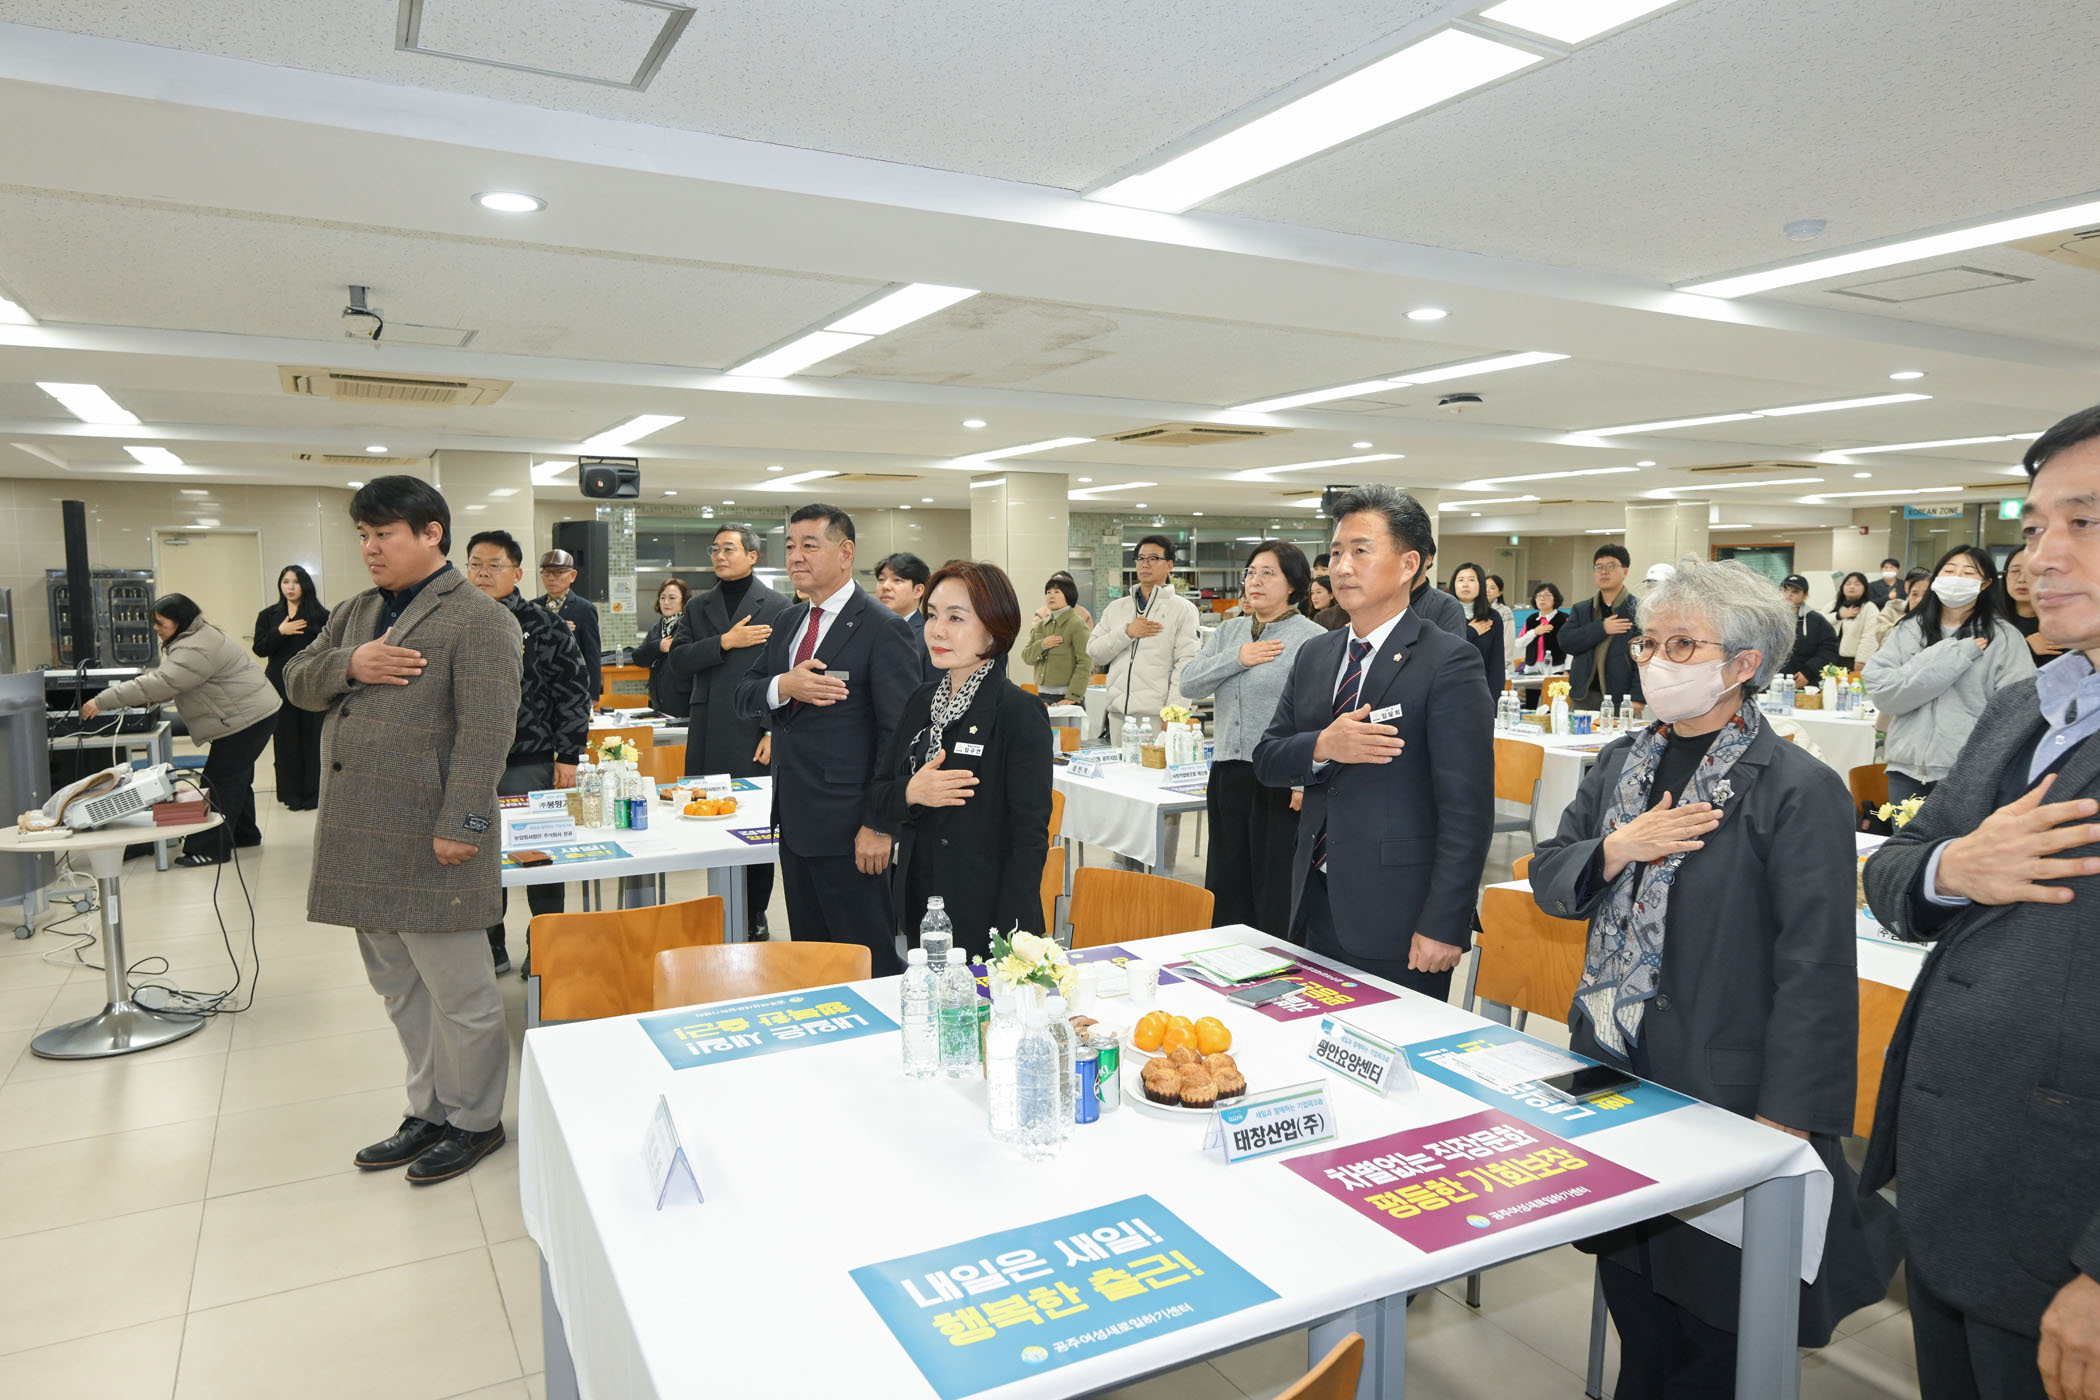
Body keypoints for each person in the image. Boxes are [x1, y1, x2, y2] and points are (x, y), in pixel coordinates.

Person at [1530, 556, 1897, 1396]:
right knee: (1637, 1303)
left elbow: (1815, 968)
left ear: (1743, 664)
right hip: (1617, 1070)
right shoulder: (1621, 763)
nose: (1655, 660)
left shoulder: (1797, 789)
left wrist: (1785, 1119)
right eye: (1649, 642)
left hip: (1726, 1088)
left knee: (1713, 1328)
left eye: (1682, 645)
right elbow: (1552, 877)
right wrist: (1617, 848)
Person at [1861, 402, 2100, 1400]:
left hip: (2067, 1218)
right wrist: (1954, 866)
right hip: (1958, 1181)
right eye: (2035, 527)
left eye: (2083, 521)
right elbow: (1893, 873)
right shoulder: (2025, 707)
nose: (2041, 555)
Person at [283, 476, 520, 1185]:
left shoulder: (480, 619)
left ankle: (476, 1120)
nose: (370, 548)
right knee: (400, 988)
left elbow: (487, 735)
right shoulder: (355, 612)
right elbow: (297, 679)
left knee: (462, 995)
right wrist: (349, 664)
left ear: (431, 533)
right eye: (363, 535)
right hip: (362, 833)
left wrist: (465, 825)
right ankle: (429, 1110)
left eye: (383, 534)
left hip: (435, 837)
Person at [1252, 485, 1492, 993]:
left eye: (1361, 551)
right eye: (1337, 552)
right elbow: (1268, 759)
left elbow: (1467, 809)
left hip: (1400, 913)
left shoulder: (1448, 660)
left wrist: (1444, 921)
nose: (1342, 567)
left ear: (1409, 565)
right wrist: (1322, 746)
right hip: (1314, 898)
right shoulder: (1317, 655)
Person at [733, 504, 918, 973]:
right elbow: (744, 694)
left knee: (866, 960)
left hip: (852, 828)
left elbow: (900, 737)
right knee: (813, 960)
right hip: (794, 820)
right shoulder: (789, 622)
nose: (796, 556)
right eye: (790, 546)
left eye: (810, 545)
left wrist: (880, 825)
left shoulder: (883, 628)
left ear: (845, 553)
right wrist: (784, 685)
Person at [870, 561, 1052, 941]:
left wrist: (1012, 935)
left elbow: (1029, 836)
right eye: (932, 615)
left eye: (955, 618)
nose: (937, 630)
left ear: (994, 628)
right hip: (922, 903)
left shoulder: (1017, 711)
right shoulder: (921, 702)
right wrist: (911, 791)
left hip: (988, 911)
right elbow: (880, 793)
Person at [1180, 541, 1323, 935]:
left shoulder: (1312, 638)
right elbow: (1189, 683)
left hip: (1280, 778)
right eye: (1251, 573)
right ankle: (1226, 957)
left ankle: (1276, 959)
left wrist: (1303, 780)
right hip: (1228, 771)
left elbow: (1316, 714)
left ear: (1293, 583)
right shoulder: (1229, 632)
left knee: (1273, 882)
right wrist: (1237, 658)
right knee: (1226, 876)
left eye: (1267, 573)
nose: (1254, 581)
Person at [465, 530, 590, 975]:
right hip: (469, 765)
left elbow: (573, 692)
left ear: (517, 573)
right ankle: (491, 943)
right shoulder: (456, 621)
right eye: (475, 564)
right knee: (478, 858)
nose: (482, 573)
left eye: (493, 565)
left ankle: (546, 943)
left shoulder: (544, 624)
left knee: (540, 857)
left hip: (529, 761)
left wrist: (568, 756)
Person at [83, 594, 281, 865]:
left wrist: (102, 701)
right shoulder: (196, 635)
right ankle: (243, 835)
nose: (156, 629)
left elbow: (160, 683)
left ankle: (209, 849)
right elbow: (175, 682)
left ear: (180, 621)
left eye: (160, 623)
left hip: (247, 719)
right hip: (252, 713)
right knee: (236, 778)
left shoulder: (195, 648)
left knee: (219, 780)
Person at [669, 524, 791, 938]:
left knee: (755, 826)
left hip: (753, 728)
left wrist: (772, 731)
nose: (719, 556)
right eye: (715, 549)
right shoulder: (698, 606)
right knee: (709, 821)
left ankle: (755, 912)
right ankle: (722, 909)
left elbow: (785, 672)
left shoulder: (777, 605)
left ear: (752, 556)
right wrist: (724, 641)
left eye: (728, 549)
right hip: (709, 728)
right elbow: (679, 661)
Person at [1865, 545, 2036, 806]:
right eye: (1949, 570)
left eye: (1968, 573)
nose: (1956, 578)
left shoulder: (2003, 637)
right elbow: (1883, 695)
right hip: (1905, 768)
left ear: (1985, 584)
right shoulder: (1909, 630)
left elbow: (2016, 710)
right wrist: (1952, 657)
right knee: (1904, 835)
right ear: (1936, 578)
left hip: (1968, 773)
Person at [1088, 534, 1200, 743]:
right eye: (1141, 558)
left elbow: (1186, 664)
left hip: (1157, 717)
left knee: (1155, 765)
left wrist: (1175, 714)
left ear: (1169, 565)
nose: (1145, 564)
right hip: (1118, 716)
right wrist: (1127, 632)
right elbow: (1095, 652)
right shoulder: (1117, 608)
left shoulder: (1182, 609)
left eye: (1153, 558)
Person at [253, 564, 329, 810]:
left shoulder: (321, 615)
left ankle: (313, 794)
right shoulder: (269, 615)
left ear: (304, 585)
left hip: (311, 686)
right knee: (286, 741)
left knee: (313, 739)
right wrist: (280, 631)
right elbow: (260, 648)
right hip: (279, 686)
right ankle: (291, 795)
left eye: (296, 582)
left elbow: (330, 648)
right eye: (286, 582)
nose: (290, 587)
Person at [1562, 544, 1645, 711]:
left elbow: (1644, 657)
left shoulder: (1637, 610)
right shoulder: (1582, 609)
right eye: (1598, 567)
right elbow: (1566, 642)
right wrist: (1602, 628)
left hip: (1621, 697)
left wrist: (1637, 696)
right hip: (1583, 695)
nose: (1604, 572)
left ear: (1625, 571)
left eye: (1611, 566)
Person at [534, 548, 602, 705]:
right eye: (546, 572)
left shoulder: (585, 609)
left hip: (572, 687)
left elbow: (592, 654)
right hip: (539, 688)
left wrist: (593, 696)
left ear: (572, 575)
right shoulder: (533, 607)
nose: (551, 578)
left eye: (558, 572)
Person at [1021, 576, 1090, 703]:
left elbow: (1085, 662)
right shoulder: (1041, 625)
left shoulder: (1076, 624)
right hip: (1042, 694)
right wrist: (1042, 645)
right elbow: (1026, 657)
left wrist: (1072, 696)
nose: (1051, 596)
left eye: (1057, 592)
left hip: (1066, 696)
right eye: (1048, 592)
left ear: (1068, 595)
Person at [633, 576, 693, 714]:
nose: (666, 602)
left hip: (684, 698)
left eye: (672, 598)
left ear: (684, 601)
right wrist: (658, 646)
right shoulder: (656, 628)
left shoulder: (690, 625)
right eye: (662, 597)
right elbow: (638, 658)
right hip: (658, 697)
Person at [875, 551, 937, 682]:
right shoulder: (868, 630)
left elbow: (935, 689)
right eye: (881, 579)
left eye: (897, 580)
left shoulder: (930, 635)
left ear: (918, 590)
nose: (885, 586)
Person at [2001, 544, 2069, 661]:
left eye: (2032, 571)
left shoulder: (2067, 625)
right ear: (2005, 576)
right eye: (2015, 571)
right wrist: (2025, 646)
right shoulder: (1990, 621)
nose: (2022, 579)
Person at [1449, 562, 1506, 689]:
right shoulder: (1445, 613)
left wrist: (1495, 698)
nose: (1465, 584)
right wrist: (1471, 632)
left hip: (1481, 689)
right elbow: (1445, 651)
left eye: (1471, 580)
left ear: (1481, 585)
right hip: (1448, 687)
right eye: (1460, 580)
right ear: (1454, 585)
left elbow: (1496, 664)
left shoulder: (1492, 617)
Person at [1779, 573, 1843, 686]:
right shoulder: (1769, 619)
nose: (1789, 594)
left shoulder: (1817, 621)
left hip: (1804, 683)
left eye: (1795, 591)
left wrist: (1809, 672)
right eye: (1785, 590)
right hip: (1773, 682)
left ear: (1805, 595)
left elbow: (1829, 650)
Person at [1857, 568, 1929, 667]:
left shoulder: (1940, 615)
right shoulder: (1893, 606)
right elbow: (1880, 633)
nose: (1919, 599)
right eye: (1911, 581)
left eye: (1925, 593)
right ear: (1905, 585)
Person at [1406, 535, 1468, 636]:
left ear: (1428, 558)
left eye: (1413, 555)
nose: (1407, 560)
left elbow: (1452, 645)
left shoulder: (1447, 605)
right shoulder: (1385, 600)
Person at [1828, 571, 1881, 670]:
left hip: (1852, 660)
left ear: (1865, 588)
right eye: (1848, 584)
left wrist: (1862, 660)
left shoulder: (1869, 607)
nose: (1852, 587)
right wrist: (1838, 615)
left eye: (1857, 584)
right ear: (1842, 587)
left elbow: (1870, 636)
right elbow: (1819, 623)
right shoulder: (1833, 605)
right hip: (1829, 657)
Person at [1516, 583, 1570, 669]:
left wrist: (1568, 669)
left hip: (1556, 668)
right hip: (1532, 668)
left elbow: (1571, 647)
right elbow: (1518, 644)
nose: (1542, 599)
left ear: (1555, 599)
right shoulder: (1531, 619)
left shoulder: (1564, 619)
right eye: (1539, 596)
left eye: (1547, 595)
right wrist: (1534, 632)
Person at [1485, 572, 1516, 660]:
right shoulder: (1474, 608)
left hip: (1497, 659)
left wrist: (1505, 662)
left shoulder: (1504, 611)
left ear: (1499, 593)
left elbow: (1508, 640)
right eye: (1485, 586)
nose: (1487, 590)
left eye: (1492, 588)